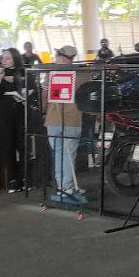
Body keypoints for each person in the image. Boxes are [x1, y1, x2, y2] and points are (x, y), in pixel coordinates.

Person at [43, 45, 86, 206]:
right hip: (72, 120)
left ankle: (62, 187)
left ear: (62, 57)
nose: (55, 57)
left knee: (59, 154)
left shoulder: (51, 73)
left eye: (57, 55)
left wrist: (42, 112)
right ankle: (66, 188)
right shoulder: (81, 74)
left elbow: (45, 95)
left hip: (53, 120)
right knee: (69, 156)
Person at [0, 47, 28, 193]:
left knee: (22, 145)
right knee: (7, 147)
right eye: (3, 58)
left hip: (19, 113)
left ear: (15, 59)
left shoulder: (23, 73)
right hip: (2, 115)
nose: (4, 61)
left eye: (8, 58)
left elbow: (29, 91)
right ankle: (12, 179)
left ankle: (24, 178)